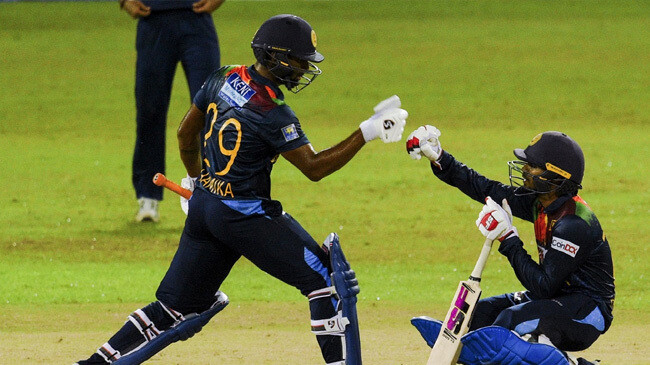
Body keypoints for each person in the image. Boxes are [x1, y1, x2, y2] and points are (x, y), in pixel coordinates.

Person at [76, 14, 407, 364]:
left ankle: (94, 362)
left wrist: (197, 181)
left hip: (205, 208)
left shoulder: (223, 76)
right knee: (326, 280)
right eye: (298, 60)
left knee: (174, 308)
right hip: (243, 214)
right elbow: (314, 168)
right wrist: (367, 132)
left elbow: (185, 135)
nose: (304, 67)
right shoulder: (273, 111)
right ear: (275, 57)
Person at [406, 127, 614, 362]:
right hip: (557, 298)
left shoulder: (574, 224)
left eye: (533, 166)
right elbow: (485, 188)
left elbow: (542, 286)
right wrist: (441, 158)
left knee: (508, 323)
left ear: (556, 177)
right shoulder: (541, 203)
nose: (524, 169)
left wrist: (509, 239)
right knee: (478, 316)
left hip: (586, 313)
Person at [119, 0, 226, 222]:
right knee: (150, 110)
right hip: (152, 19)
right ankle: (148, 195)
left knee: (210, 111)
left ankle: (215, 194)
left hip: (197, 20)